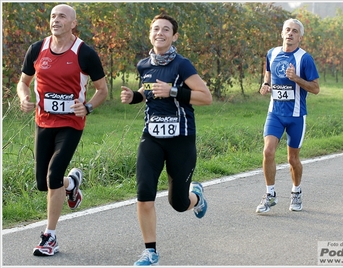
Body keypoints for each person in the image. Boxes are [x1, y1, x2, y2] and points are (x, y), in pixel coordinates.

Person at [120, 13, 212, 266]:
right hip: (151, 137)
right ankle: (150, 251)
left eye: (165, 30)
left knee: (179, 203)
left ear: (174, 36)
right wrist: (135, 97)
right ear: (150, 33)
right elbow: (148, 91)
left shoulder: (182, 65)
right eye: (155, 29)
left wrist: (172, 91)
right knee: (144, 193)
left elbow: (206, 97)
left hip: (181, 139)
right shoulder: (144, 65)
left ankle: (197, 197)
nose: (159, 33)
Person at [17, 4, 108, 256]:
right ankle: (72, 184)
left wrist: (87, 107)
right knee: (42, 183)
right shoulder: (37, 49)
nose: (56, 20)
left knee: (53, 174)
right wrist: (24, 97)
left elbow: (103, 90)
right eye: (53, 16)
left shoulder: (84, 53)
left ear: (73, 23)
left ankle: (50, 237)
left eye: (62, 17)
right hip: (43, 121)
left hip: (71, 123)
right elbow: (23, 83)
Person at [256, 18, 320, 214]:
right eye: (287, 30)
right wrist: (266, 84)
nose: (290, 33)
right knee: (268, 152)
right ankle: (270, 194)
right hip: (275, 113)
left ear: (300, 37)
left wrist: (296, 79)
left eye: (294, 31)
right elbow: (267, 72)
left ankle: (296, 191)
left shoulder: (304, 59)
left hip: (296, 116)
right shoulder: (272, 53)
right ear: (282, 33)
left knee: (293, 159)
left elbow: (316, 88)